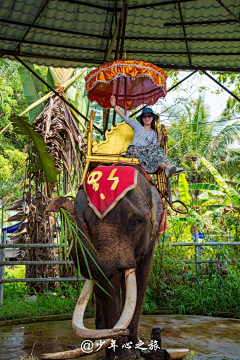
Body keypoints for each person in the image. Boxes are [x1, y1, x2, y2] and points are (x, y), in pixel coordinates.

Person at [110, 94, 183, 177]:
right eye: (144, 116)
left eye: (149, 116)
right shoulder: (137, 126)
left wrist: (159, 138)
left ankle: (168, 167)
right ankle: (169, 166)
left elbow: (156, 147)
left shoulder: (153, 133)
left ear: (152, 118)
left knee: (156, 154)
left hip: (144, 153)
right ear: (142, 118)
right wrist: (114, 106)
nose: (147, 118)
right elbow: (125, 117)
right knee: (155, 150)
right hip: (133, 150)